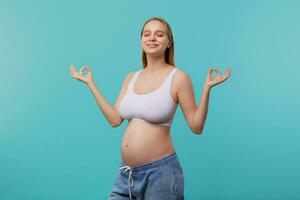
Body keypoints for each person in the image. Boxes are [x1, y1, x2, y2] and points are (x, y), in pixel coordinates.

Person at [70, 16, 231, 200]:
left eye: (159, 34)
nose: (152, 38)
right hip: (127, 174)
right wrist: (91, 84)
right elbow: (115, 120)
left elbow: (196, 126)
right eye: (147, 34)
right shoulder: (131, 77)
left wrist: (206, 89)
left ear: (169, 42)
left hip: (161, 175)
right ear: (141, 40)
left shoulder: (178, 78)